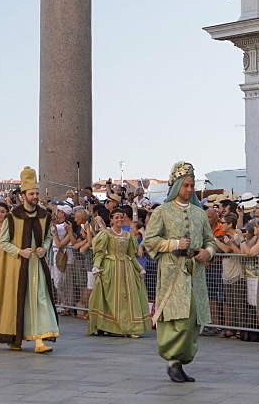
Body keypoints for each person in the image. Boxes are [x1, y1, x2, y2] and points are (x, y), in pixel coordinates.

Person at [144, 161, 216, 384]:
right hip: (172, 272)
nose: (189, 189)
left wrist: (208, 252)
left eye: (191, 185)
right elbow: (150, 241)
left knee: (193, 318)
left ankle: (181, 361)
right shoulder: (162, 212)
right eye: (185, 185)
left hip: (195, 274)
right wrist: (175, 243)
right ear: (176, 186)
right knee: (176, 318)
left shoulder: (199, 213)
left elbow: (210, 240)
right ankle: (172, 361)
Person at [0, 167, 58, 353]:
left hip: (37, 265)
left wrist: (45, 248)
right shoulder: (12, 216)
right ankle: (15, 337)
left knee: (40, 299)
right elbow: (4, 242)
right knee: (18, 300)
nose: (35, 196)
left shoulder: (44, 216)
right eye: (32, 193)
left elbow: (48, 236)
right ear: (23, 195)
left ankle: (40, 340)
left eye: (37, 193)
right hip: (17, 267)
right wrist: (18, 252)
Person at [87, 206, 151, 337]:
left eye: (121, 217)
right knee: (109, 298)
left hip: (126, 269)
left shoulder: (128, 236)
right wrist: (96, 266)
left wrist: (140, 268)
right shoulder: (106, 234)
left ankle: (129, 328)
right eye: (116, 217)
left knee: (128, 298)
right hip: (111, 268)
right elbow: (99, 253)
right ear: (111, 220)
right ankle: (104, 325)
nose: (119, 219)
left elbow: (131, 255)